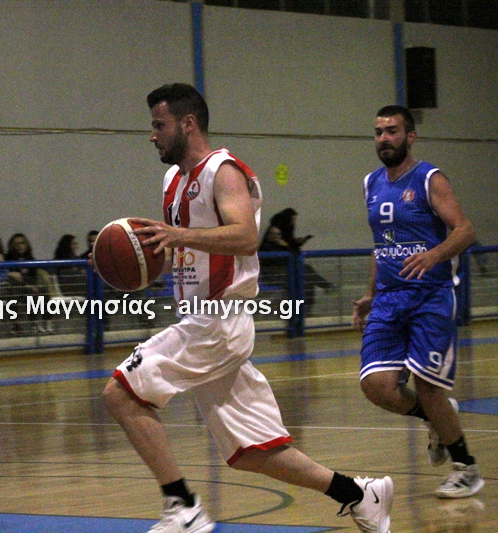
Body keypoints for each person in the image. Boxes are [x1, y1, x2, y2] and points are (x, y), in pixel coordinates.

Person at [102, 83, 392, 533]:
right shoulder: (173, 180)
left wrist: (178, 236)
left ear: (188, 124)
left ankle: (183, 506)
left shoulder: (224, 171)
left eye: (159, 125)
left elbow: (244, 236)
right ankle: (359, 494)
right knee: (253, 452)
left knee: (120, 394)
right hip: (200, 319)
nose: (152, 134)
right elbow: (187, 249)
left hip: (218, 321)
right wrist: (138, 259)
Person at [352, 105, 483, 499]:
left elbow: (466, 230)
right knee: (376, 385)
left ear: (410, 136)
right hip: (389, 298)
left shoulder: (429, 178)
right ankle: (438, 418)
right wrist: (370, 294)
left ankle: (465, 468)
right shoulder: (371, 183)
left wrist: (434, 255)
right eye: (379, 132)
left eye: (392, 131)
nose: (384, 138)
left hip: (431, 295)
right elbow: (380, 246)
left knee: (428, 386)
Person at [258, 208, 334, 312]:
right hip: (274, 274)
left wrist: (294, 244)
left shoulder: (284, 240)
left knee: (307, 278)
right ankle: (325, 287)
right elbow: (284, 259)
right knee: (305, 272)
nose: (293, 223)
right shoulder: (269, 247)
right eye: (292, 220)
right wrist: (287, 246)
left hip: (287, 271)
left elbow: (293, 255)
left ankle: (305, 309)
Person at [5, 232, 56, 333]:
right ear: (12, 246)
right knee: (27, 296)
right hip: (17, 289)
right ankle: (28, 324)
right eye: (17, 244)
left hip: (30, 287)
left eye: (22, 243)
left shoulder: (30, 258)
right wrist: (26, 284)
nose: (20, 246)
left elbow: (33, 275)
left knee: (45, 294)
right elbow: (13, 277)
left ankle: (47, 322)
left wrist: (32, 285)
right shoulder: (8, 258)